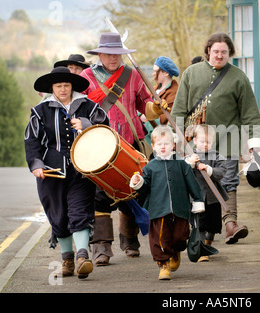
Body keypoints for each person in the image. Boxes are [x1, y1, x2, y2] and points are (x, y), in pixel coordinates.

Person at [80, 32, 168, 266]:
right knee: (100, 196)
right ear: (99, 54)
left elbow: (145, 105)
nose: (113, 58)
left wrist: (156, 107)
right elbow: (78, 110)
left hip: (129, 142)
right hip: (97, 146)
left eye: (117, 54)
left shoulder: (133, 75)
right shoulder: (86, 77)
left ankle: (129, 240)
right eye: (109, 54)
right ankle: (101, 248)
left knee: (132, 189)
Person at [172, 33, 260, 244]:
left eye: (224, 52)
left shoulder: (238, 77)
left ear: (229, 53)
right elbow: (178, 110)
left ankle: (230, 223)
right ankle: (204, 229)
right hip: (196, 141)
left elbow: (250, 113)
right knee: (200, 183)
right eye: (216, 51)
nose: (219, 56)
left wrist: (255, 144)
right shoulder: (191, 74)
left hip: (227, 139)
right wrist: (178, 139)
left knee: (229, 180)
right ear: (208, 52)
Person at [24, 67, 109, 279]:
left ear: (72, 87)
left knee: (80, 212)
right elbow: (32, 140)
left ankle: (82, 257)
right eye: (59, 86)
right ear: (52, 88)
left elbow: (106, 127)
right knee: (58, 216)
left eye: (67, 85)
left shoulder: (88, 107)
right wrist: (36, 164)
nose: (63, 89)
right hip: (51, 172)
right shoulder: (40, 111)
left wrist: (87, 125)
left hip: (82, 169)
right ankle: (67, 259)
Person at [130, 126, 205, 280]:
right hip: (158, 210)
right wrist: (138, 182)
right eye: (159, 144)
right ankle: (163, 265)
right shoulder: (149, 167)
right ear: (153, 146)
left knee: (180, 236)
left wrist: (197, 200)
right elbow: (144, 190)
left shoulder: (181, 164)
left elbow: (192, 184)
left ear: (173, 145)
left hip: (180, 208)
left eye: (166, 143)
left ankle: (175, 251)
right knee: (160, 238)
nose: (163, 147)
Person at [185, 124, 228, 262]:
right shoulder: (190, 157)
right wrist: (190, 164)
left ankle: (209, 241)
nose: (205, 145)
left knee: (213, 225)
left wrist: (209, 169)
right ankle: (202, 249)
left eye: (208, 142)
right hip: (196, 198)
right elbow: (183, 171)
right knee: (199, 225)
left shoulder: (216, 156)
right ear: (195, 141)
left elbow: (221, 172)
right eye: (202, 141)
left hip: (212, 197)